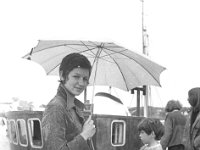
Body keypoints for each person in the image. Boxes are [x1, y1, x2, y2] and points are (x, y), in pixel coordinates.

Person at [42, 53, 96, 150]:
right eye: (76, 76)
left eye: (85, 79)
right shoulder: (56, 108)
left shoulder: (74, 107)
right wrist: (84, 135)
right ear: (62, 75)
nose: (81, 83)